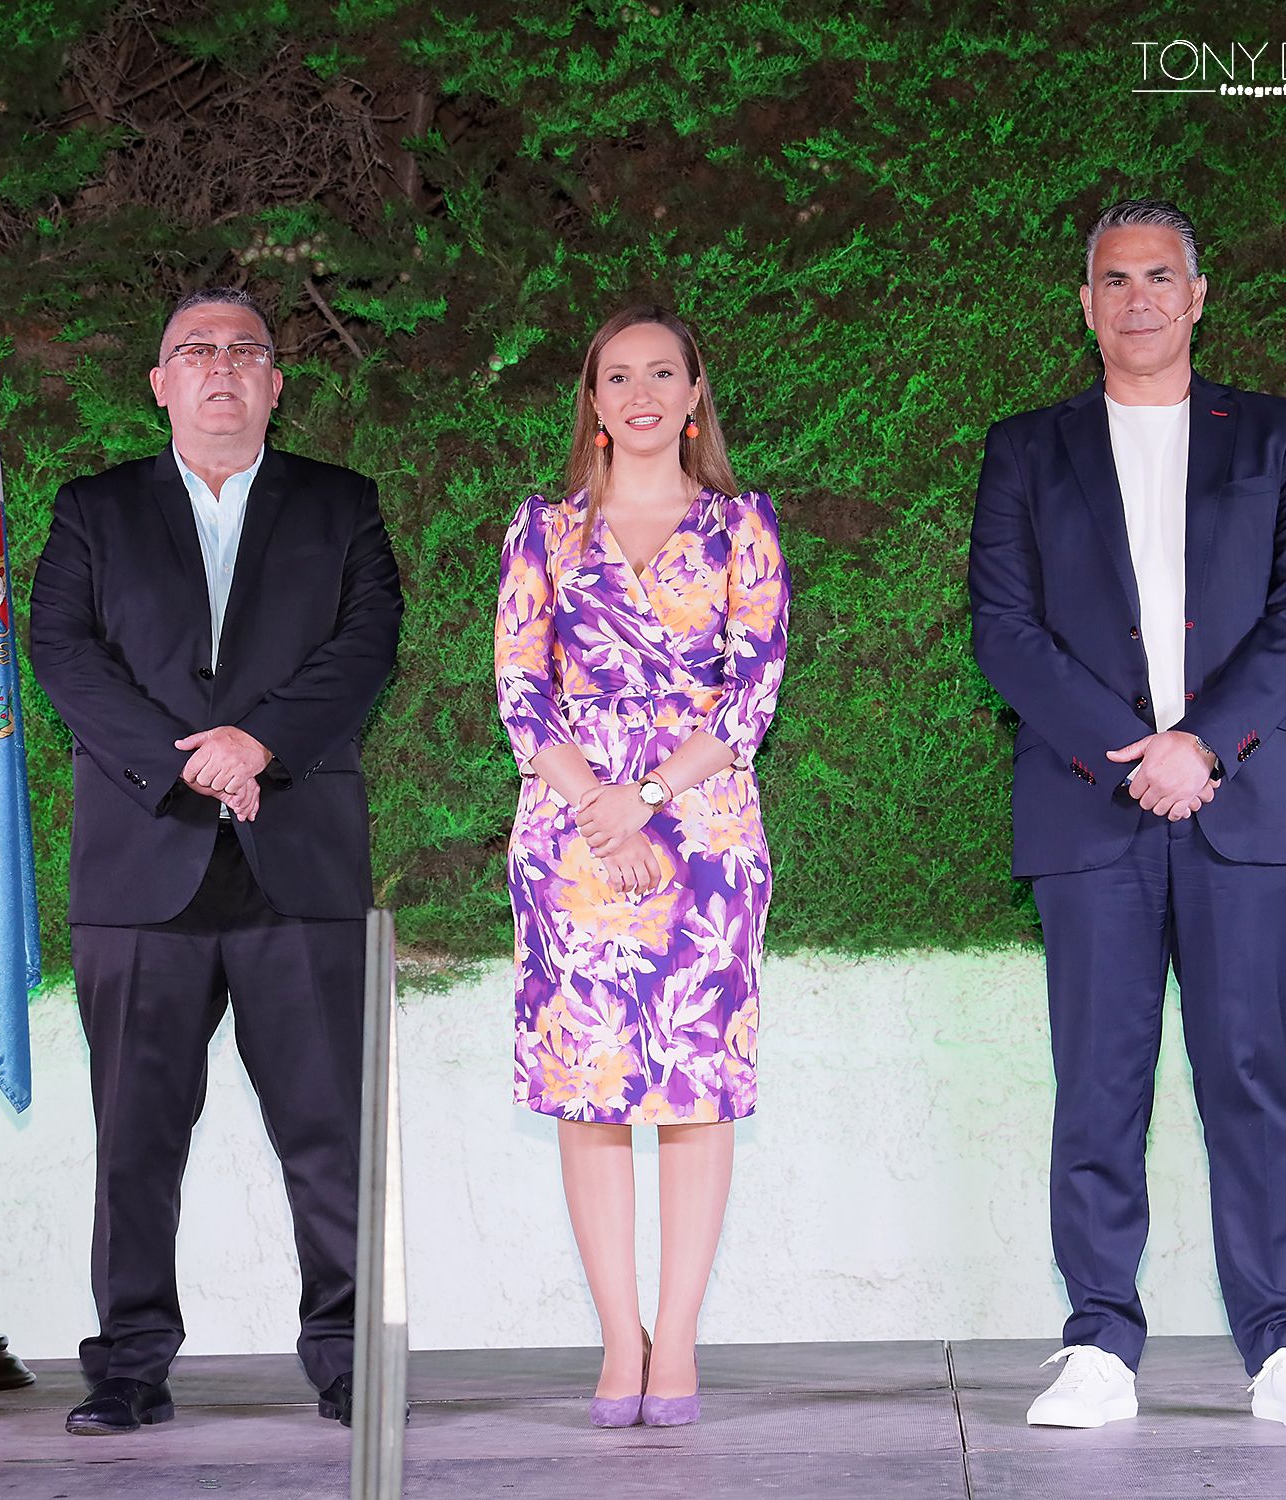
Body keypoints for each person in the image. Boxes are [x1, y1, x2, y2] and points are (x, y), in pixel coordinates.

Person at [969, 199, 1286, 1429]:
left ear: (1197, 296)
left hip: (1243, 801)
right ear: (1083, 305)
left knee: (1247, 1072)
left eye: (1159, 276)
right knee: (1097, 1077)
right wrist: (1123, 751)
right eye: (1112, 278)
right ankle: (1097, 1342)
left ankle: (1280, 1346)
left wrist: (1200, 745)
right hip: (1093, 811)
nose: (1137, 296)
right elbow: (1003, 627)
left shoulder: (1276, 437)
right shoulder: (1026, 449)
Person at [29, 287, 403, 1435]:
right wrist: (188, 761)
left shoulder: (341, 506)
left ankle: (347, 1359)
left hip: (299, 865)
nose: (221, 367)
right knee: (135, 1140)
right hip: (143, 872)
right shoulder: (93, 510)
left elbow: (366, 643)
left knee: (327, 1132)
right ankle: (129, 1369)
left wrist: (259, 744)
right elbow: (62, 652)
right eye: (194, 349)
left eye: (245, 350)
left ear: (277, 383)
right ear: (159, 382)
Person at [495, 305, 790, 1428]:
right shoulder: (542, 528)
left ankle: (681, 1339)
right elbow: (520, 687)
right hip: (567, 828)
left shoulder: (741, 527)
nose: (641, 392)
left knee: (694, 1089)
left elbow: (751, 691)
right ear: (594, 402)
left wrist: (649, 801)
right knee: (588, 1087)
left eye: (662, 371)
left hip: (701, 822)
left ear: (695, 392)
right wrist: (594, 808)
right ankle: (620, 1338)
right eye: (616, 375)